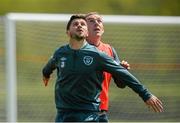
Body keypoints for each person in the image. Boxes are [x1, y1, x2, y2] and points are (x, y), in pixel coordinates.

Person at [42, 14, 163, 122]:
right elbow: (50, 64)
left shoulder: (99, 54)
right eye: (76, 24)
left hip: (90, 112)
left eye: (83, 24)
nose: (80, 26)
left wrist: (146, 94)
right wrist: (45, 73)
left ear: (87, 32)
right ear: (68, 32)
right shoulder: (60, 53)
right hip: (63, 114)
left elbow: (123, 77)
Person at [85, 12, 130, 122]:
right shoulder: (77, 49)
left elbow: (121, 84)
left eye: (99, 21)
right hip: (81, 110)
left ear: (103, 29)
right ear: (84, 28)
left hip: (101, 111)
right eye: (91, 21)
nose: (96, 23)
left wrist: (123, 72)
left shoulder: (109, 50)